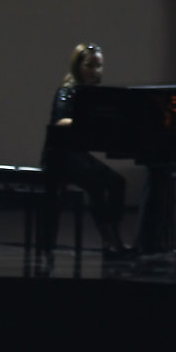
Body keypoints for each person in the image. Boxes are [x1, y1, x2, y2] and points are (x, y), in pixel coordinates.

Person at [41, 42, 130, 258]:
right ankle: (110, 240)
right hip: (59, 156)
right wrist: (83, 122)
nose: (95, 71)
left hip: (76, 155)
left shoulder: (91, 94)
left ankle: (114, 236)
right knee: (97, 186)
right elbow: (60, 121)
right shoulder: (67, 91)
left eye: (98, 66)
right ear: (78, 66)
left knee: (118, 182)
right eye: (90, 65)